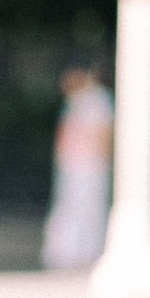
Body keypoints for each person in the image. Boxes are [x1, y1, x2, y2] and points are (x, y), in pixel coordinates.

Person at [44, 63, 114, 271]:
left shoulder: (98, 100)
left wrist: (102, 163)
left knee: (88, 210)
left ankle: (85, 253)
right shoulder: (77, 100)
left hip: (90, 166)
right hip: (73, 165)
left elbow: (103, 135)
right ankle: (68, 253)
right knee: (73, 208)